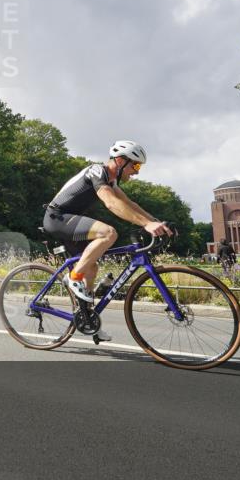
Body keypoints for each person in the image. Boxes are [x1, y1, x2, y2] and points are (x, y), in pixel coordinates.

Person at [42, 140, 173, 340]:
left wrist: (155, 222)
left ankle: (87, 319)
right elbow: (111, 203)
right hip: (57, 218)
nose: (137, 172)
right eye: (135, 165)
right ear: (120, 161)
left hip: (72, 223)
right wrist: (146, 225)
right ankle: (73, 278)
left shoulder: (111, 181)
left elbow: (129, 203)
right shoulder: (97, 172)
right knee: (109, 233)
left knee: (91, 268)